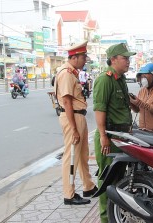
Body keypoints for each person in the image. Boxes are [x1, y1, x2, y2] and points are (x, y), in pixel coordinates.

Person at [93, 43, 136, 223]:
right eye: (125, 58)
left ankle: (115, 214)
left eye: (128, 58)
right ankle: (105, 219)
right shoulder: (105, 79)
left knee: (120, 179)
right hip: (109, 137)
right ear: (113, 60)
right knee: (107, 180)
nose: (128, 61)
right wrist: (103, 136)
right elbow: (100, 110)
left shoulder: (121, 79)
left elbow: (126, 106)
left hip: (121, 137)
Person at [55, 40, 97, 205]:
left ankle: (88, 186)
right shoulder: (66, 73)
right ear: (75, 57)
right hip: (72, 117)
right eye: (83, 56)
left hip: (79, 116)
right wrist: (73, 129)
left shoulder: (72, 73)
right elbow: (66, 102)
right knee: (70, 155)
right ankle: (69, 195)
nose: (85, 59)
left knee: (82, 154)